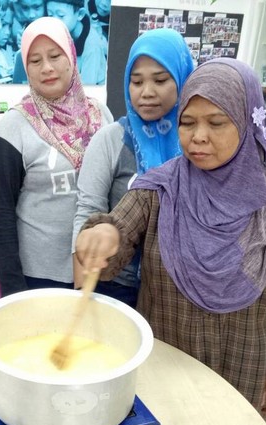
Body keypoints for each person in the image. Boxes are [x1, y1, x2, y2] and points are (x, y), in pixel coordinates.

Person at [75, 58, 266, 425]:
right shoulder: (160, 188)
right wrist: (104, 234)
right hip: (168, 355)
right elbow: (119, 226)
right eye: (187, 123)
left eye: (217, 122)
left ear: (248, 120)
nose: (198, 137)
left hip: (245, 364)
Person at [0, 16, 113, 296]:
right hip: (38, 278)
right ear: (26, 69)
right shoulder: (14, 126)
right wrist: (14, 289)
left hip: (97, 271)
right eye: (35, 61)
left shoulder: (101, 116)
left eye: (55, 56)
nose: (47, 68)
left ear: (71, 57)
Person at [72, 28, 194, 308]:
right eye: (136, 81)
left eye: (160, 80)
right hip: (115, 285)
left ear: (183, 79)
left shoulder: (196, 143)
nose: (146, 92)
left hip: (176, 290)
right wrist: (83, 284)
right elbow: (89, 209)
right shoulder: (111, 139)